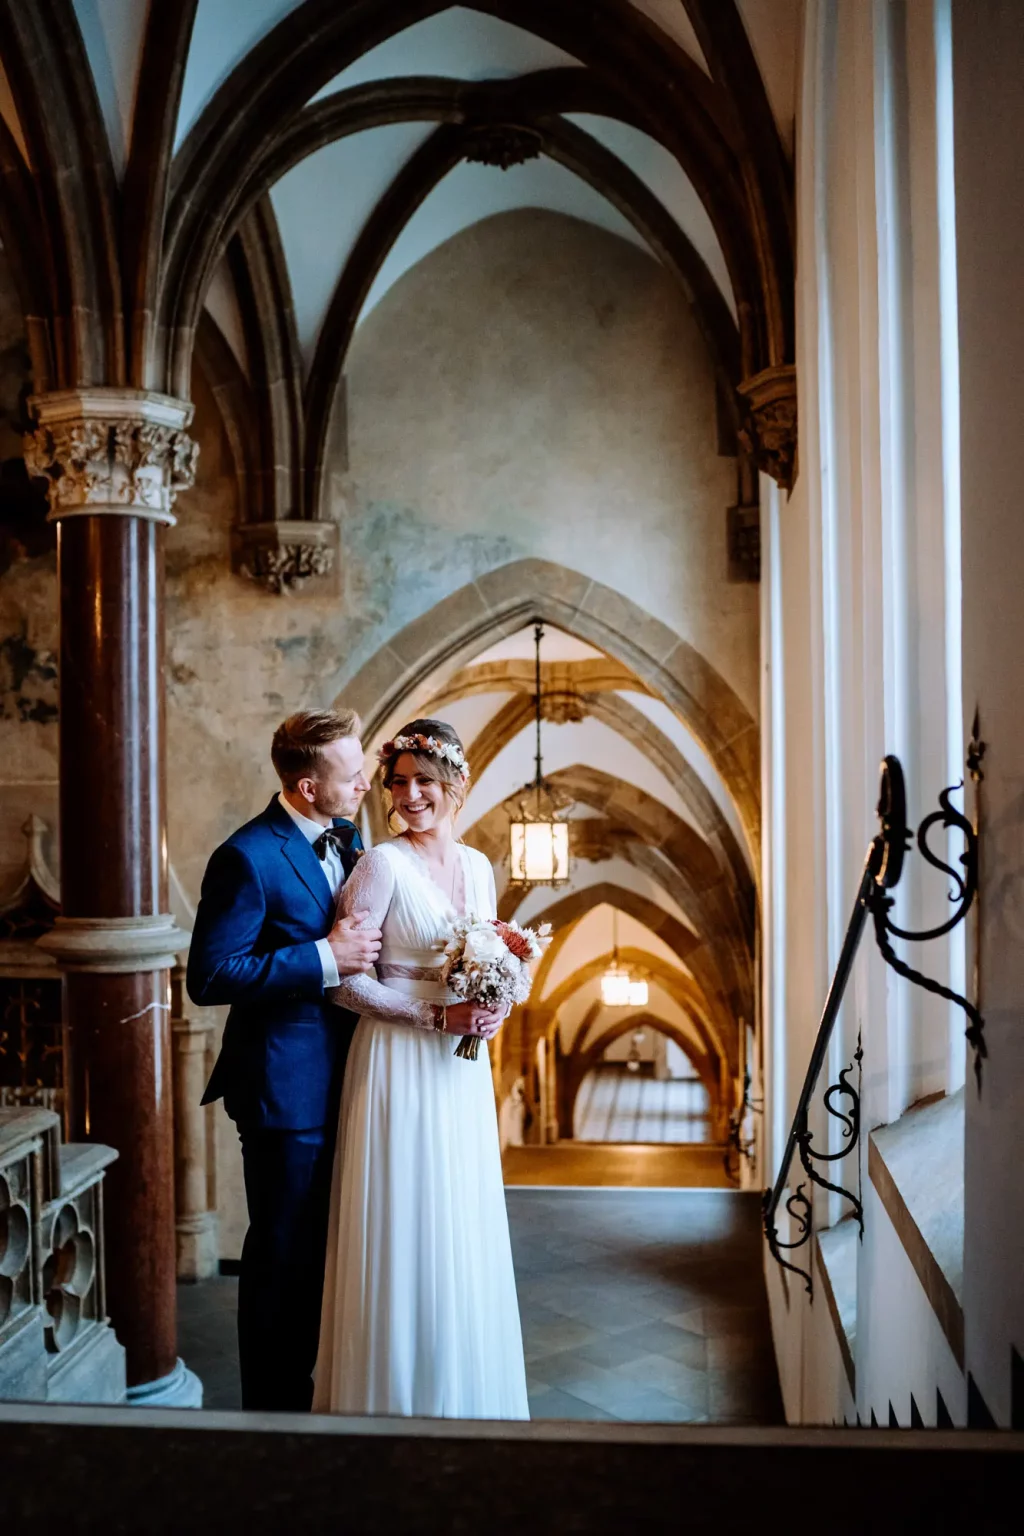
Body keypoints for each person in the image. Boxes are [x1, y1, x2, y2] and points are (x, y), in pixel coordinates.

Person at [313, 718, 529, 1418]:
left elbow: (486, 961)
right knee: (403, 1215)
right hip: (397, 1064)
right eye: (398, 782)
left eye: (425, 782)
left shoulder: (478, 867)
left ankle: (465, 1393)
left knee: (459, 1214)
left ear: (456, 787)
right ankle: (393, 1396)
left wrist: (493, 1005)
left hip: (461, 1072)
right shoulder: (380, 865)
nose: (409, 796)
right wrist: (436, 1017)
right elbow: (347, 983)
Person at [187, 709, 381, 1412]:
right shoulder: (246, 856)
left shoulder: (349, 835)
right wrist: (324, 957)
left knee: (328, 1248)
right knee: (281, 1256)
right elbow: (210, 976)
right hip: (283, 1089)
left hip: (351, 1076)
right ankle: (271, 1414)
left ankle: (322, 1390)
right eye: (350, 775)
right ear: (304, 787)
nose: (365, 784)